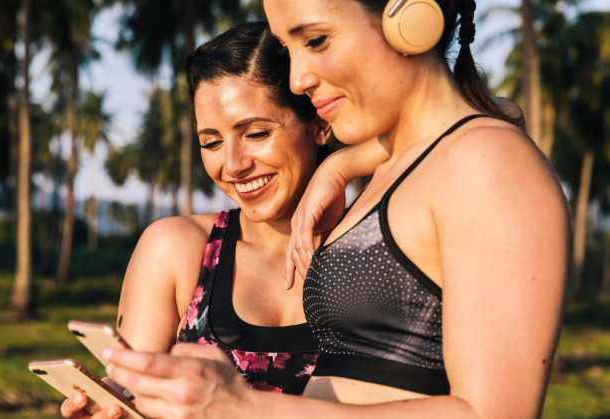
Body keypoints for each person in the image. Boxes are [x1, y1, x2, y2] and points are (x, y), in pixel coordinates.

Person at [101, 1, 570, 419]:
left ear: (408, 18)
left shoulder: (484, 160)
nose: (298, 79)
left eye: (316, 40)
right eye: (290, 48)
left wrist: (243, 408)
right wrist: (341, 166)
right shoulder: (408, 166)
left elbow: (496, 412)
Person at [59, 21, 371, 419]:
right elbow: (131, 395)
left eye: (257, 133)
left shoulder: (381, 249)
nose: (233, 165)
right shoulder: (177, 250)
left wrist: (345, 165)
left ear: (320, 124)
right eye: (211, 142)